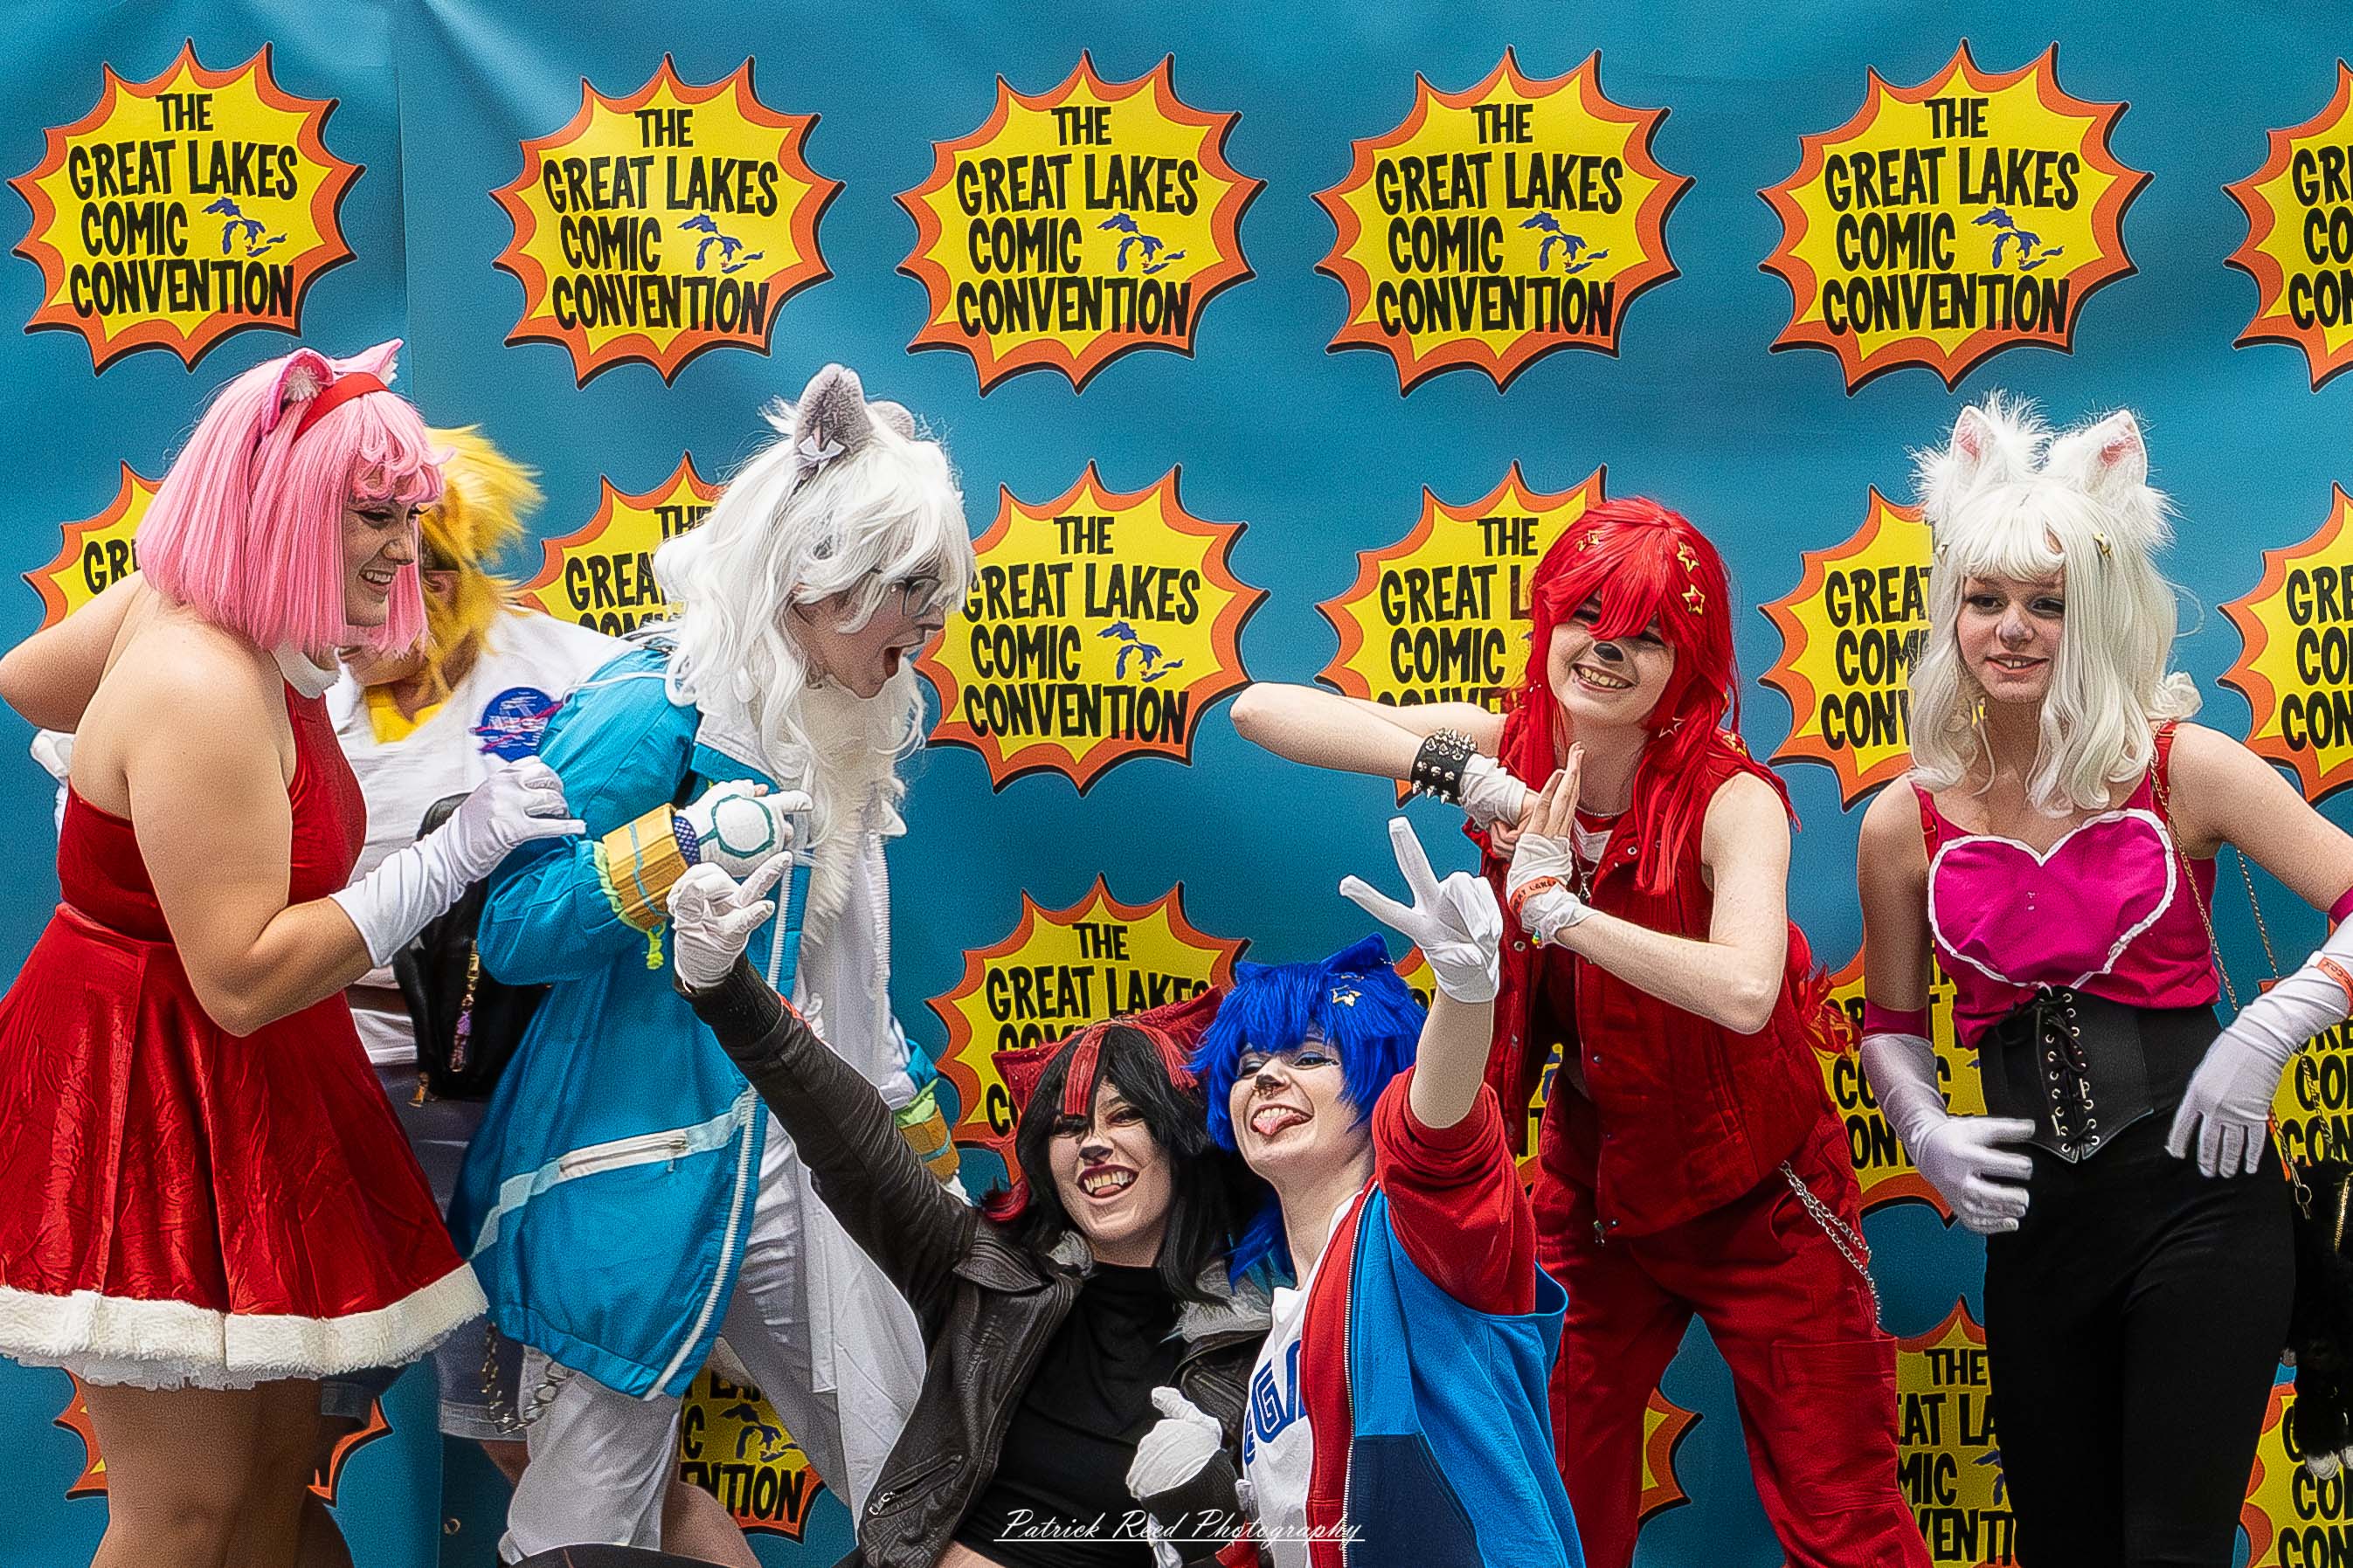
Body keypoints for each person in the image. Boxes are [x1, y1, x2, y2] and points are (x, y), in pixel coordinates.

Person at [1230, 500, 1926, 1568]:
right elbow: (1259, 712)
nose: (1603, 649)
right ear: (1548, 619)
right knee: (1537, 1494)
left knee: (1844, 1519)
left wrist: (1563, 912)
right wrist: (1468, 774)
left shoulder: (1727, 796)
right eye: (1584, 615)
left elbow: (1744, 989)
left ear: (1686, 659)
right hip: (1593, 1192)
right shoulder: (1514, 743)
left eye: (1643, 633)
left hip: (1761, 1196)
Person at [0, 342, 578, 1568]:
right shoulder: (200, 677)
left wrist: (122, 794)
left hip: (249, 1075)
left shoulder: (206, 612)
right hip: (152, 1081)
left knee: (271, 1482)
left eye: (408, 513)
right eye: (371, 511)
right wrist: (447, 857)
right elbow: (245, 974)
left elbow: (29, 683)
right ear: (279, 507)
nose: (403, 546)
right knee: (188, 1510)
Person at [446, 364, 974, 1560]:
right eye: (909, 593)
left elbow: (859, 1002)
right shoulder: (653, 705)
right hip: (634, 1161)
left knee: (922, 1463)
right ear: (811, 577)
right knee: (592, 1505)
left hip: (805, 1165)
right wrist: (676, 845)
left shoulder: (846, 725)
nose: (928, 631)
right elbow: (515, 926)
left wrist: (932, 1188)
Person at [1858, 397, 2353, 1565]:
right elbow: (1891, 1022)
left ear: (2101, 613)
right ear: (1951, 612)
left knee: (2169, 1546)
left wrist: (2271, 1026)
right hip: (2036, 1231)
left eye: (2048, 602)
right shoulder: (1902, 818)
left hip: (2204, 1210)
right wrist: (1922, 1121)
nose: (2012, 629)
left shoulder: (2182, 764)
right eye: (1985, 600)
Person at [668, 852, 1268, 1567]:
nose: (1094, 1146)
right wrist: (728, 991)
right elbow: (854, 1141)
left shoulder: (1260, 1350)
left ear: (1183, 1139)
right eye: (1068, 1127)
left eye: (1125, 1116)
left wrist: (1208, 1516)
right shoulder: (988, 1275)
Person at [1189, 818, 1582, 1568]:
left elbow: (1438, 1140)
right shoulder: (1277, 1332)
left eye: (1310, 1055)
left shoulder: (1413, 1234)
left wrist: (1464, 994)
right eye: (1246, 1065)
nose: (1268, 1077)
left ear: (1379, 1081)